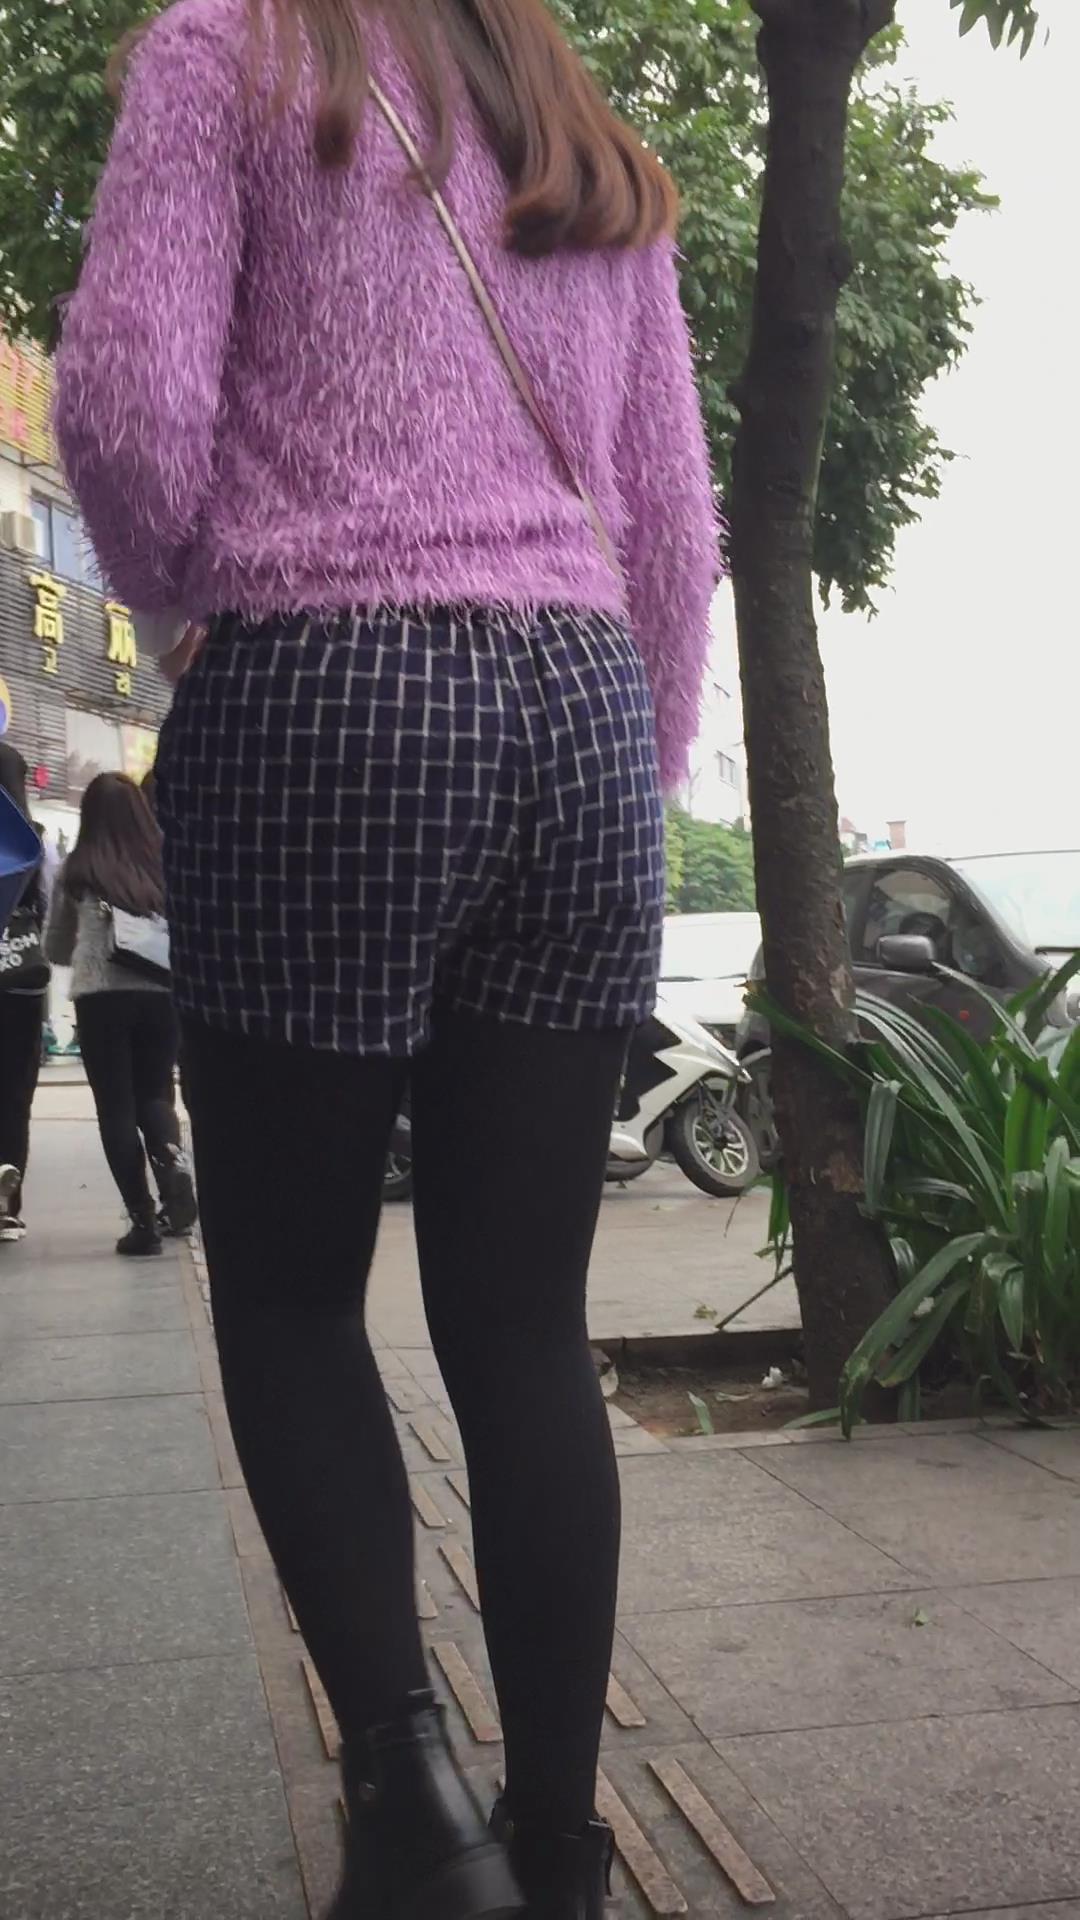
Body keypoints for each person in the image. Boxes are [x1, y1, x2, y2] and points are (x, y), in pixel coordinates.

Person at [54, 2, 717, 1915]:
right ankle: (563, 1844)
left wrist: (197, 594)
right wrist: (630, 768)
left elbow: (122, 403)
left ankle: (415, 1814)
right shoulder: (585, 129)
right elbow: (675, 532)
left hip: (324, 678)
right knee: (524, 1326)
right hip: (580, 706)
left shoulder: (225, 50)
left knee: (289, 1295)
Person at [44, 773, 197, 1256]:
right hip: (161, 991)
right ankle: (173, 1174)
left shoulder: (77, 871)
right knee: (156, 1094)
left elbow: (56, 948)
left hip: (101, 999)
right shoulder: (163, 866)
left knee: (115, 1108)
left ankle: (142, 1223)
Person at [0, 743, 50, 1241]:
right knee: (15, 1092)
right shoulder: (31, 842)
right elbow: (43, 907)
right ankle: (6, 1201)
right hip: (19, 977)